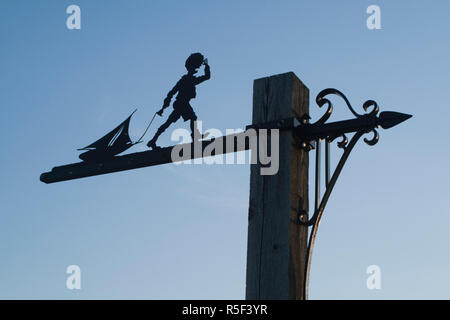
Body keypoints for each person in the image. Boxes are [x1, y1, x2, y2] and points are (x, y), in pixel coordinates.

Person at [147, 53, 210, 149]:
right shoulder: (188, 80)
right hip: (182, 103)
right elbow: (207, 77)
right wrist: (163, 108)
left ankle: (153, 140)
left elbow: (171, 93)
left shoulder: (188, 79)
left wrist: (163, 108)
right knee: (192, 118)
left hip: (181, 103)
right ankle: (195, 136)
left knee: (169, 122)